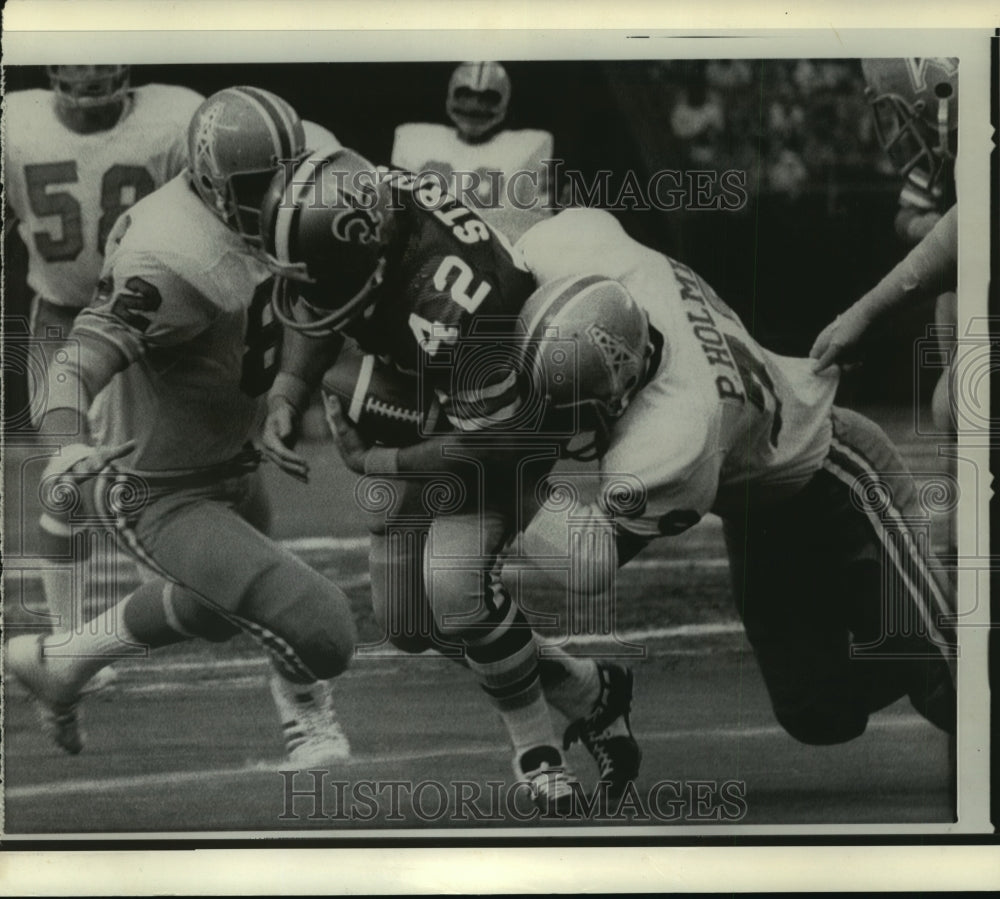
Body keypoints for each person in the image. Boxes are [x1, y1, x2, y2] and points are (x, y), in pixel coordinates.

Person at [259, 149, 639, 811]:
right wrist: (289, 389)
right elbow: (328, 306)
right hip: (441, 391)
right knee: (407, 620)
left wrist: (377, 460)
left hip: (508, 424)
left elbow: (482, 451)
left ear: (368, 256)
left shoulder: (457, 307)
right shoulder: (370, 214)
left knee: (454, 587)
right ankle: (589, 690)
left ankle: (536, 749)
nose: (310, 296)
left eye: (323, 278)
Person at [513, 207, 956, 750]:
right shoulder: (591, 252)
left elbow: (588, 562)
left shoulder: (675, 434)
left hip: (838, 476)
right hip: (759, 511)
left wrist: (505, 487)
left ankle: (933, 642)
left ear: (624, 387)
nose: (567, 423)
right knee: (817, 711)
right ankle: (909, 633)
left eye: (583, 408)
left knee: (953, 685)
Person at [7, 87, 357, 766]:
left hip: (235, 454)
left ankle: (64, 662)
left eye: (290, 175)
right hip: (157, 484)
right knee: (320, 626)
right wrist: (65, 442)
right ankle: (309, 716)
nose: (280, 195)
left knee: (221, 607)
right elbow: (72, 366)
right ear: (207, 181)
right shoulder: (170, 255)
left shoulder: (310, 168)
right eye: (260, 187)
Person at [4, 65, 203, 654]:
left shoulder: (174, 118)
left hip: (150, 317)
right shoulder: (15, 121)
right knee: (64, 478)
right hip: (62, 313)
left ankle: (161, 593)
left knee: (159, 466)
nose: (89, 82)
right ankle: (67, 641)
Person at [391, 61, 555, 243]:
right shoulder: (412, 139)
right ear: (449, 97)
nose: (474, 105)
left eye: (488, 97)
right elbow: (398, 213)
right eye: (465, 95)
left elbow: (536, 224)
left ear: (505, 102)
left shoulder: (529, 147)